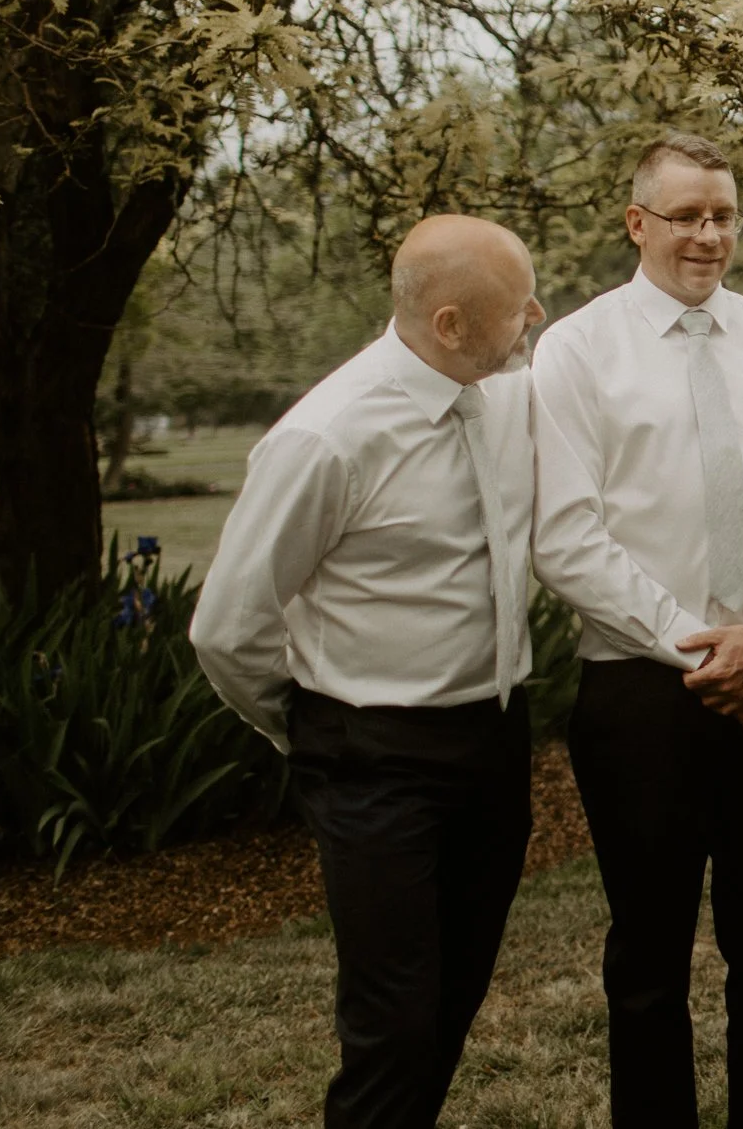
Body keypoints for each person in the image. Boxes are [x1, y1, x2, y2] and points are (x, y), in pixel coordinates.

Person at [529, 133, 743, 1128]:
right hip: (642, 692)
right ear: (638, 222)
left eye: (724, 215)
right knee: (648, 954)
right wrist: (704, 649)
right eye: (687, 216)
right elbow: (566, 536)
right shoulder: (577, 349)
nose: (709, 235)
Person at [191, 213, 547, 1129]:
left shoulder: (507, 395)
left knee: (454, 994)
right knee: (392, 1019)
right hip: (372, 757)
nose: (538, 318)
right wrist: (313, 731)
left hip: (494, 741)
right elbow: (228, 626)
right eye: (519, 307)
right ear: (450, 325)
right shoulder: (327, 436)